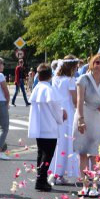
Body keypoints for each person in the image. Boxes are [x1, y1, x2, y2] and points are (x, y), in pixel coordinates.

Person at [72, 52, 100, 197]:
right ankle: (85, 185)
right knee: (83, 153)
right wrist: (81, 119)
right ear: (92, 63)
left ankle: (95, 185)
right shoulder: (83, 79)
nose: (99, 66)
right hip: (84, 114)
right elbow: (79, 100)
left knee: (95, 154)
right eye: (97, 62)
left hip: (98, 117)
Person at [28, 63, 66, 192]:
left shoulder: (37, 88)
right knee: (47, 155)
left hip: (39, 127)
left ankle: (40, 178)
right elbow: (55, 108)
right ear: (50, 76)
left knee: (41, 154)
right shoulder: (48, 90)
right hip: (49, 127)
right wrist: (61, 116)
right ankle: (41, 180)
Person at [49, 56, 79, 184]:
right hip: (68, 110)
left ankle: (56, 172)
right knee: (66, 142)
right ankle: (58, 174)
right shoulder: (70, 80)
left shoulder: (55, 78)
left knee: (58, 141)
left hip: (58, 110)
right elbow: (74, 99)